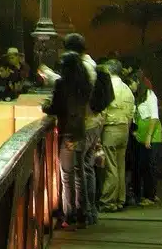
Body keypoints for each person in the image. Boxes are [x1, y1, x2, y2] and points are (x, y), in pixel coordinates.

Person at [43, 51, 94, 228]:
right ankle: (83, 213)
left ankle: (69, 214)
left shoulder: (61, 84)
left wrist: (45, 106)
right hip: (81, 131)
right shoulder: (85, 84)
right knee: (80, 172)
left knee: (67, 175)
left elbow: (56, 107)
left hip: (68, 133)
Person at [99, 60, 135, 212]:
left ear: (108, 71)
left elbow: (103, 111)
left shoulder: (108, 87)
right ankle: (120, 199)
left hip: (111, 128)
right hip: (124, 129)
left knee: (111, 167)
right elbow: (132, 112)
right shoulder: (127, 89)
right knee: (121, 165)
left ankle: (108, 200)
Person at [132, 78, 162, 204]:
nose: (131, 85)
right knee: (142, 166)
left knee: (150, 166)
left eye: (132, 82)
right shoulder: (136, 97)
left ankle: (150, 196)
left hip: (152, 134)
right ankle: (145, 195)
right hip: (140, 134)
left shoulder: (150, 95)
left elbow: (154, 117)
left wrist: (149, 135)